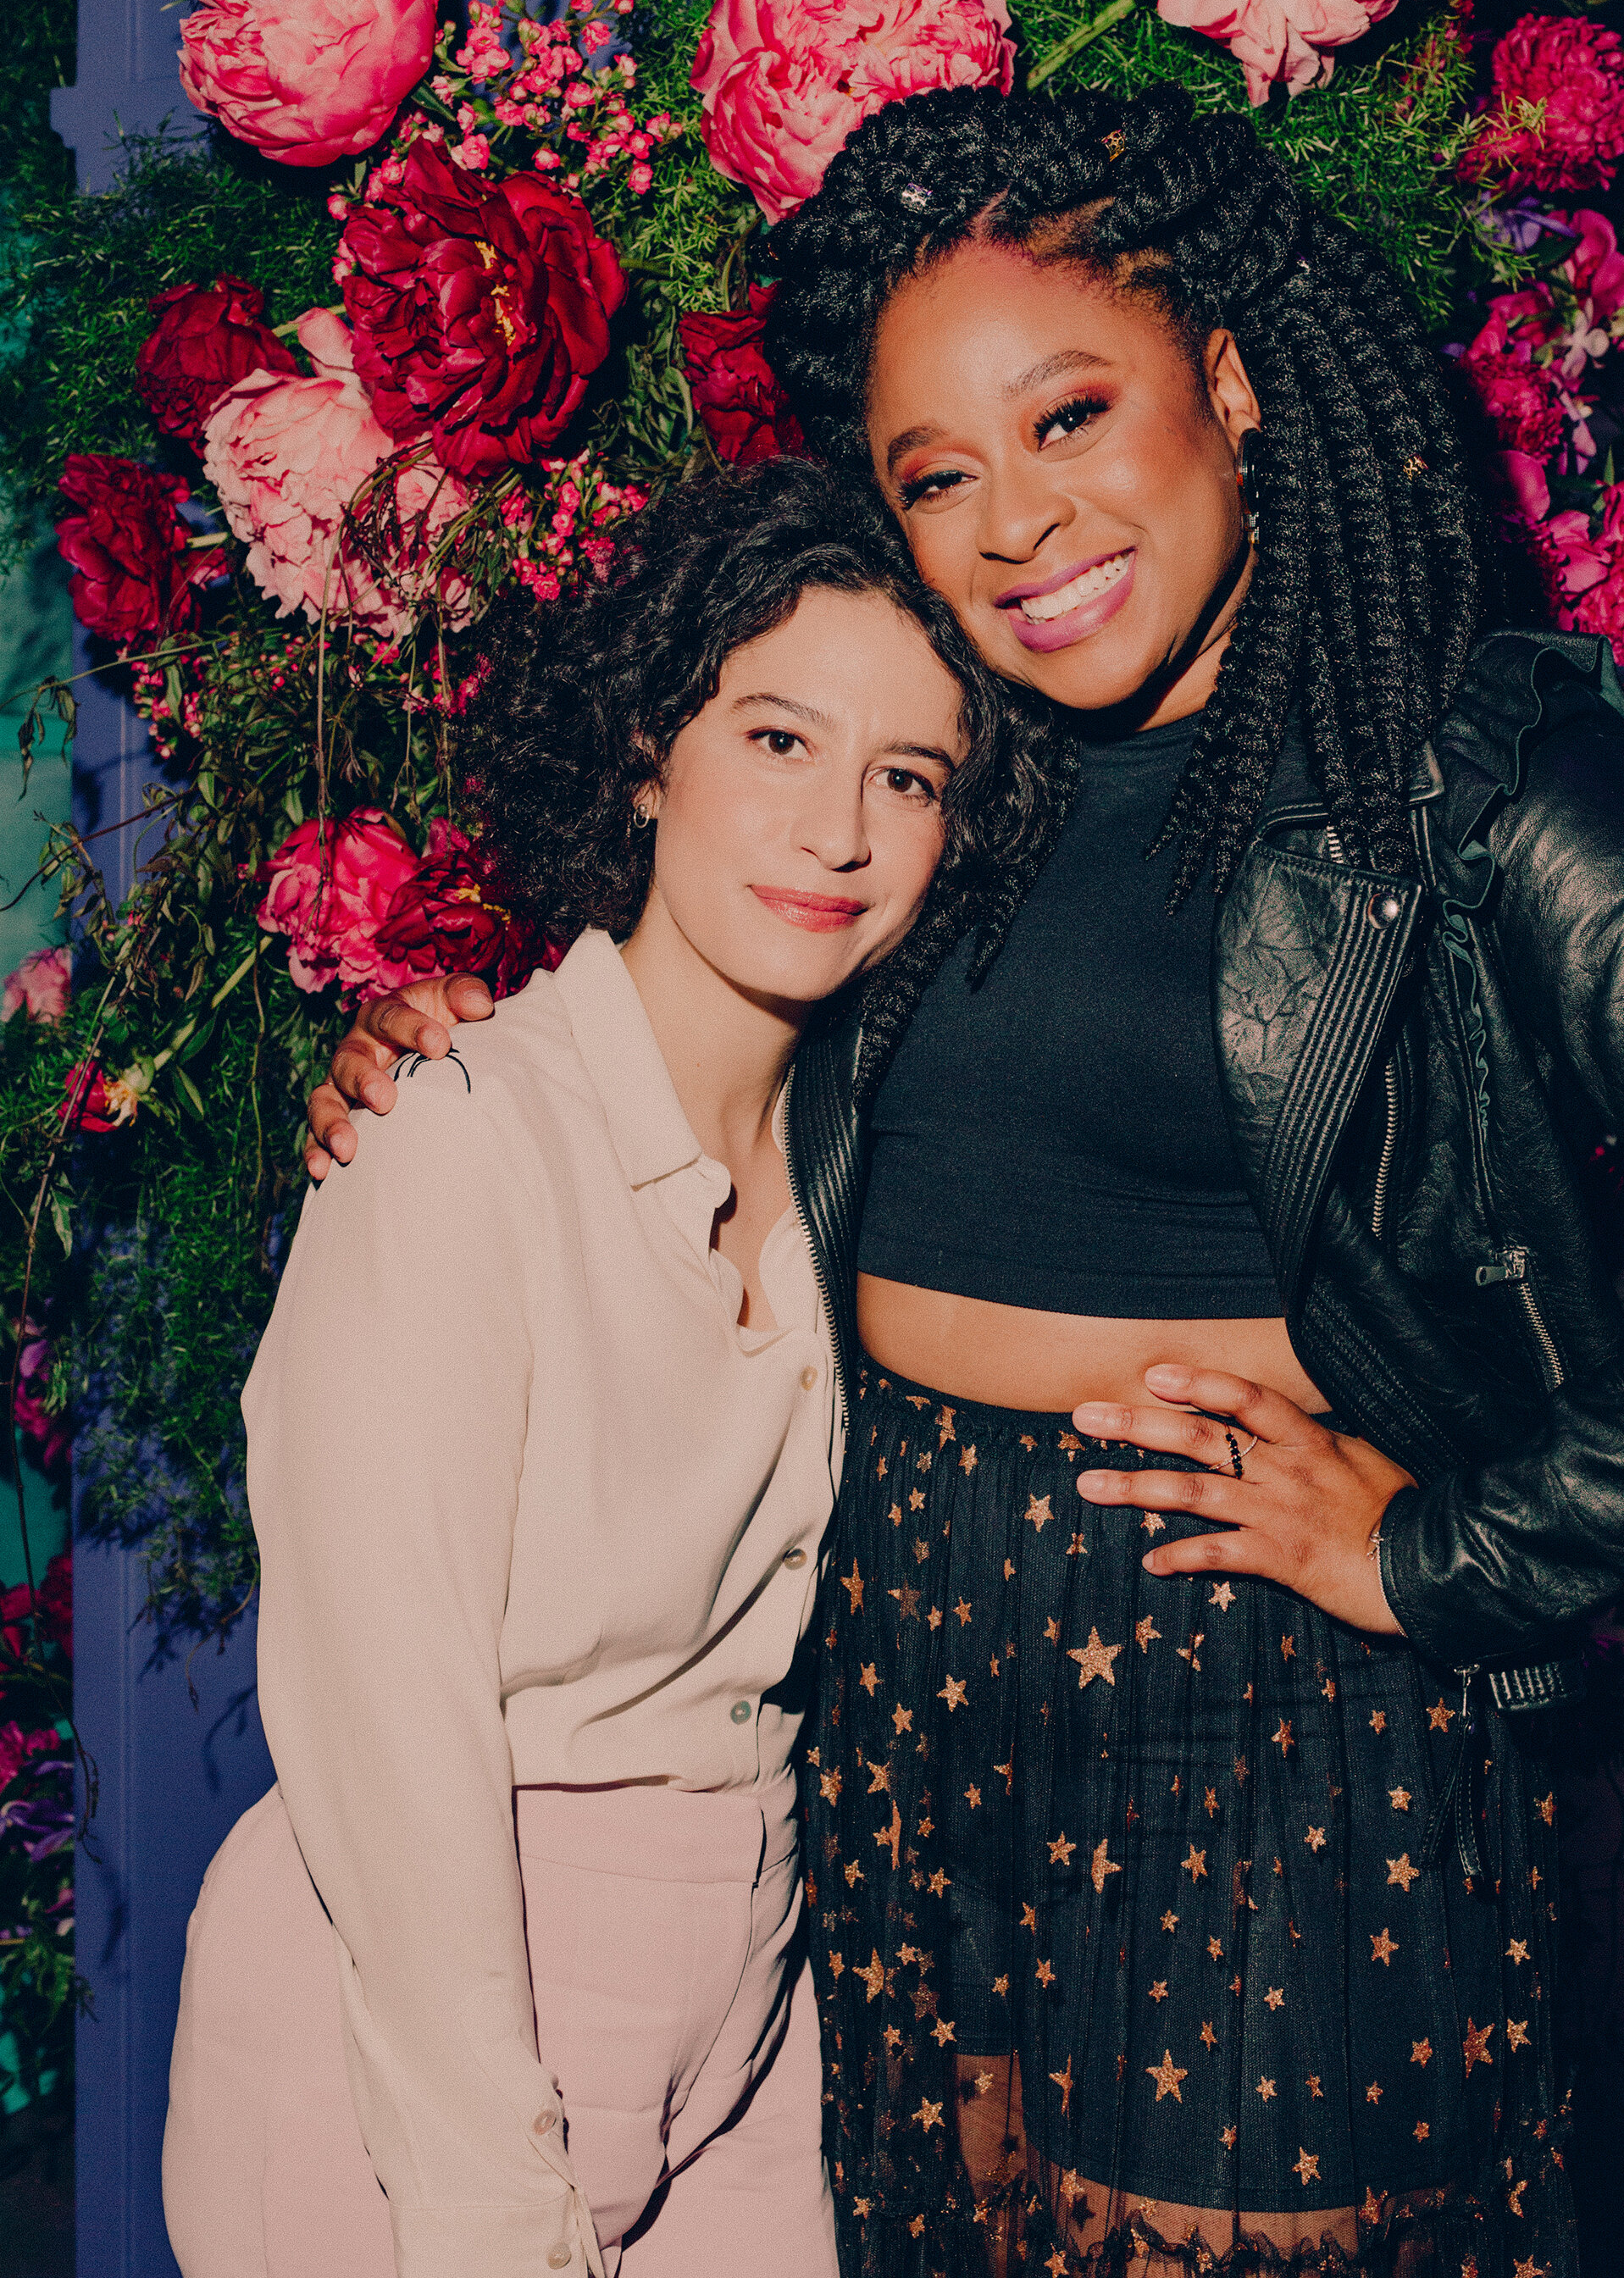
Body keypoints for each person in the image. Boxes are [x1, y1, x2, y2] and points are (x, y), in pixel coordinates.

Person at [310, 86, 1624, 2278]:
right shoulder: (947, 770)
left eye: (1070, 416)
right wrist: (458, 1058)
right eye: (940, 473)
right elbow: (712, 1029)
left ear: (1225, 382)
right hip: (890, 1657)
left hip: (1265, 1676)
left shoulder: (1456, 768)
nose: (1014, 522)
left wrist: (1464, 1556)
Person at [162, 459, 1046, 2278]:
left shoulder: (854, 1167)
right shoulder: (458, 1139)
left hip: (732, 1998)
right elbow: (387, 1727)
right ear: (651, 747)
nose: (839, 834)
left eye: (907, 777)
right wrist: (495, 2215)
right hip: (401, 2057)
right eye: (779, 740)